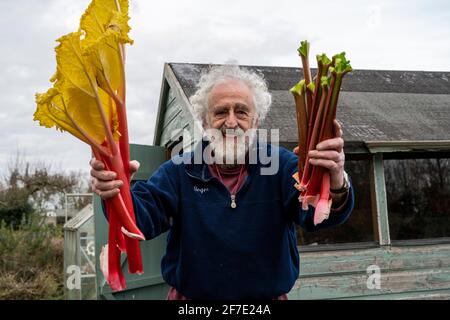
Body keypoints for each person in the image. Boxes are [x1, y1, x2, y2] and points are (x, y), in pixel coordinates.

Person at [90, 64, 354, 300]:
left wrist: (337, 181)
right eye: (220, 112)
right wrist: (116, 191)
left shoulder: (283, 167)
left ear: (256, 120)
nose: (231, 122)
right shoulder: (179, 171)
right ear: (205, 122)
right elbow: (139, 222)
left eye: (241, 111)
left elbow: (321, 217)